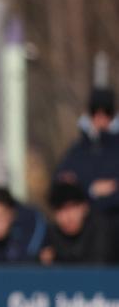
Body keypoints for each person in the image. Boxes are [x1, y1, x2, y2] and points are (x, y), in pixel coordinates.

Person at [54, 87, 119, 218]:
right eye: (95, 112)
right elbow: (60, 184)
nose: (100, 118)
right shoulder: (77, 150)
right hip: (86, 228)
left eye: (106, 112)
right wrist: (91, 189)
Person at [40, 182, 115, 265]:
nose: (68, 217)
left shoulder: (102, 228)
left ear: (85, 208)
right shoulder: (49, 232)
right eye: (60, 210)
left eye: (72, 208)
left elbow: (98, 268)